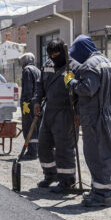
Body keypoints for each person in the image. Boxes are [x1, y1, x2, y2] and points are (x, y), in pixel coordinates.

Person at [66, 35, 111, 208]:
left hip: (95, 117)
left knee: (95, 156)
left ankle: (103, 196)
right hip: (109, 115)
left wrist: (71, 82)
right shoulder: (110, 64)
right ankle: (99, 191)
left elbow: (87, 88)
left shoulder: (89, 66)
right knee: (106, 156)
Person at [33, 38, 78, 193]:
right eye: (50, 54)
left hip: (66, 113)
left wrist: (77, 114)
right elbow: (40, 86)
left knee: (64, 148)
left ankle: (67, 181)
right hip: (49, 111)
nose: (53, 57)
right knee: (43, 145)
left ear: (64, 52)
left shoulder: (73, 67)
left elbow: (80, 93)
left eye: (56, 54)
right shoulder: (47, 66)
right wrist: (37, 101)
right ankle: (50, 175)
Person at [19, 52, 41, 160]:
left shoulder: (27, 70)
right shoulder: (37, 70)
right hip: (37, 103)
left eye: (21, 62)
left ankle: (32, 152)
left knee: (29, 127)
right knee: (37, 127)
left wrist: (26, 103)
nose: (21, 64)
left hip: (29, 104)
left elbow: (27, 89)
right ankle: (36, 150)